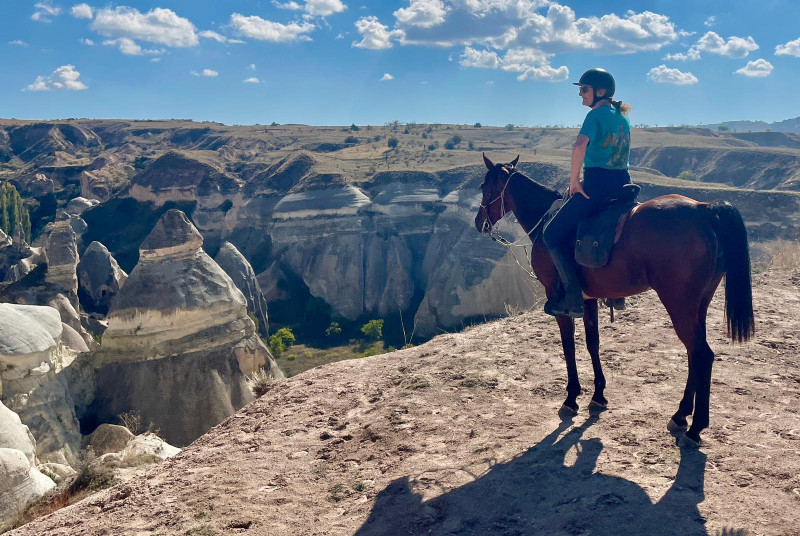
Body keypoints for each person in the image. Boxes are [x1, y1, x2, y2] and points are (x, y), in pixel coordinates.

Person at [541, 68, 632, 318]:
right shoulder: (622, 117)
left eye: (584, 89)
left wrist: (574, 181)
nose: (580, 95)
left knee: (552, 234)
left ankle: (573, 296)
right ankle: (617, 294)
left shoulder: (595, 115)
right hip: (624, 185)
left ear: (599, 92)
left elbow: (580, 145)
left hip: (598, 186)